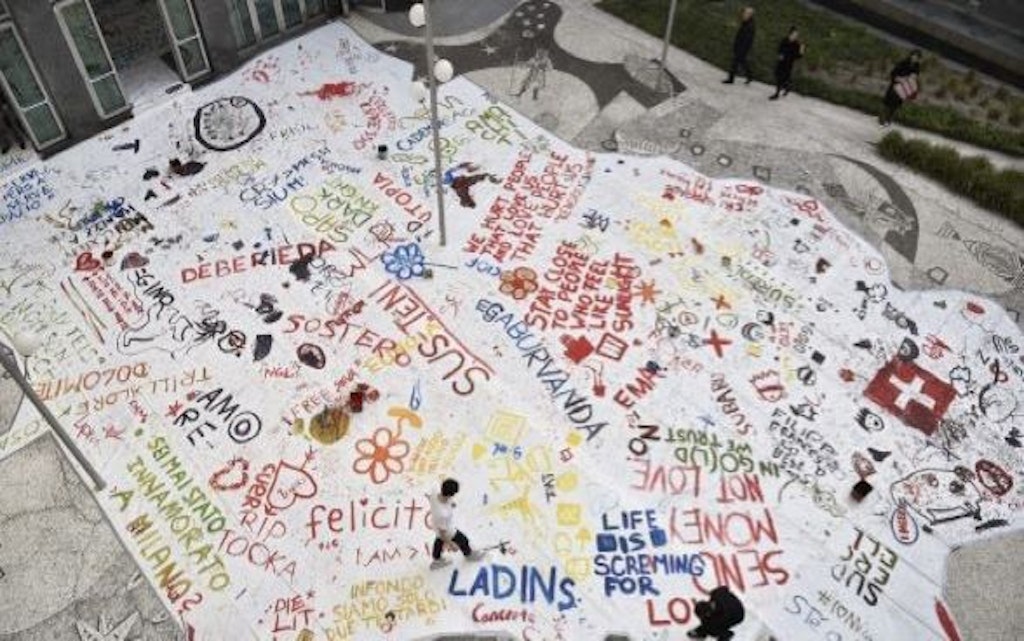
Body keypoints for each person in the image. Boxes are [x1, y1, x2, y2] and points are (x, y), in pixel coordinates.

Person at [427, 478, 485, 569]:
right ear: (450, 495)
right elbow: (443, 533)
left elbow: (429, 496)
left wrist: (449, 504)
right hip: (447, 529)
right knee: (463, 540)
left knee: (438, 541)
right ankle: (469, 555)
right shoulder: (443, 513)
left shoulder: (435, 492)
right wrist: (451, 544)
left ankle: (436, 559)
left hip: (435, 523)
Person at [880, 49, 922, 125]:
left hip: (904, 87)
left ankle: (889, 118)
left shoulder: (917, 66)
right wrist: (899, 78)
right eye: (914, 56)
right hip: (896, 83)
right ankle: (882, 118)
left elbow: (915, 76)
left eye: (917, 57)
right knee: (888, 101)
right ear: (911, 55)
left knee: (897, 103)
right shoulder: (903, 63)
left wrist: (912, 78)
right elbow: (893, 73)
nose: (914, 58)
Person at [769, 27, 805, 100]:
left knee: (782, 78)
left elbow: (798, 56)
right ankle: (787, 87)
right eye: (794, 34)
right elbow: (779, 48)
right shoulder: (784, 40)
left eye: (796, 35)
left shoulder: (796, 44)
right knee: (778, 76)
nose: (795, 36)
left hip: (788, 64)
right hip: (781, 62)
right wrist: (780, 54)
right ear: (790, 34)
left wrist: (801, 51)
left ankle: (777, 94)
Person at [724, 7, 756, 85]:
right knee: (742, 62)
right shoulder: (746, 22)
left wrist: (741, 49)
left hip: (742, 48)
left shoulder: (750, 26)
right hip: (740, 46)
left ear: (750, 15)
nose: (743, 14)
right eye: (744, 13)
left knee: (735, 62)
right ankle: (750, 76)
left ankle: (731, 79)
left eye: (745, 13)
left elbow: (747, 39)